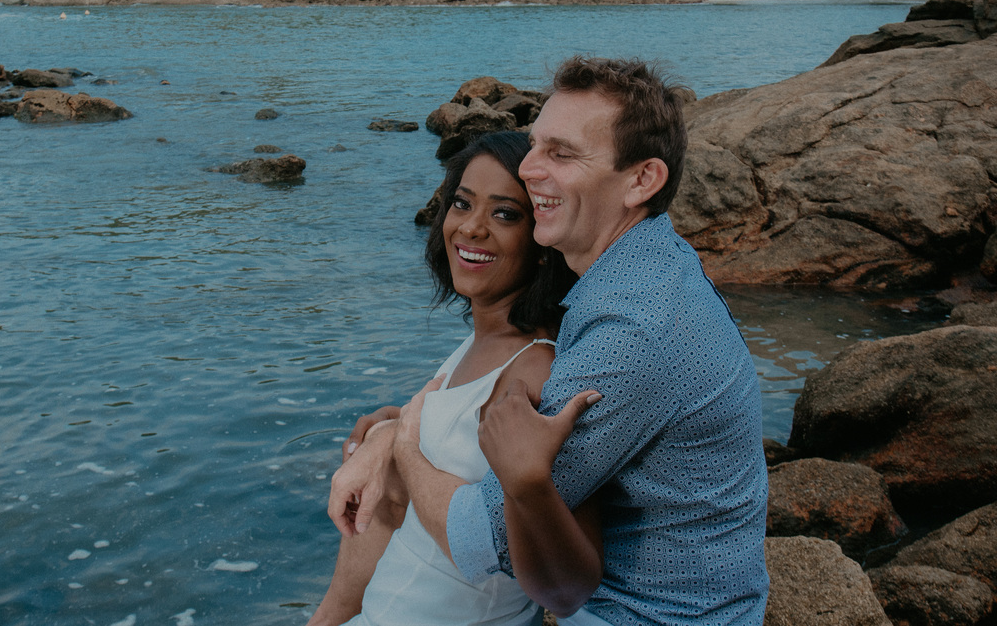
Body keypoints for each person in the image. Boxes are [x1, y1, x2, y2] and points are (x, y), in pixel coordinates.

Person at [360, 57, 770, 625]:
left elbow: (491, 541)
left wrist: (403, 444)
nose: (528, 169)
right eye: (534, 145)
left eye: (561, 153)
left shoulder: (633, 330)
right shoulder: (650, 264)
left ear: (642, 180)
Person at [307, 131, 599, 626]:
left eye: (505, 214)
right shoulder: (484, 341)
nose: (472, 228)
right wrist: (387, 434)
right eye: (462, 204)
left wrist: (398, 448)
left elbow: (530, 553)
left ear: (543, 240)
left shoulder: (533, 370)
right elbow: (452, 445)